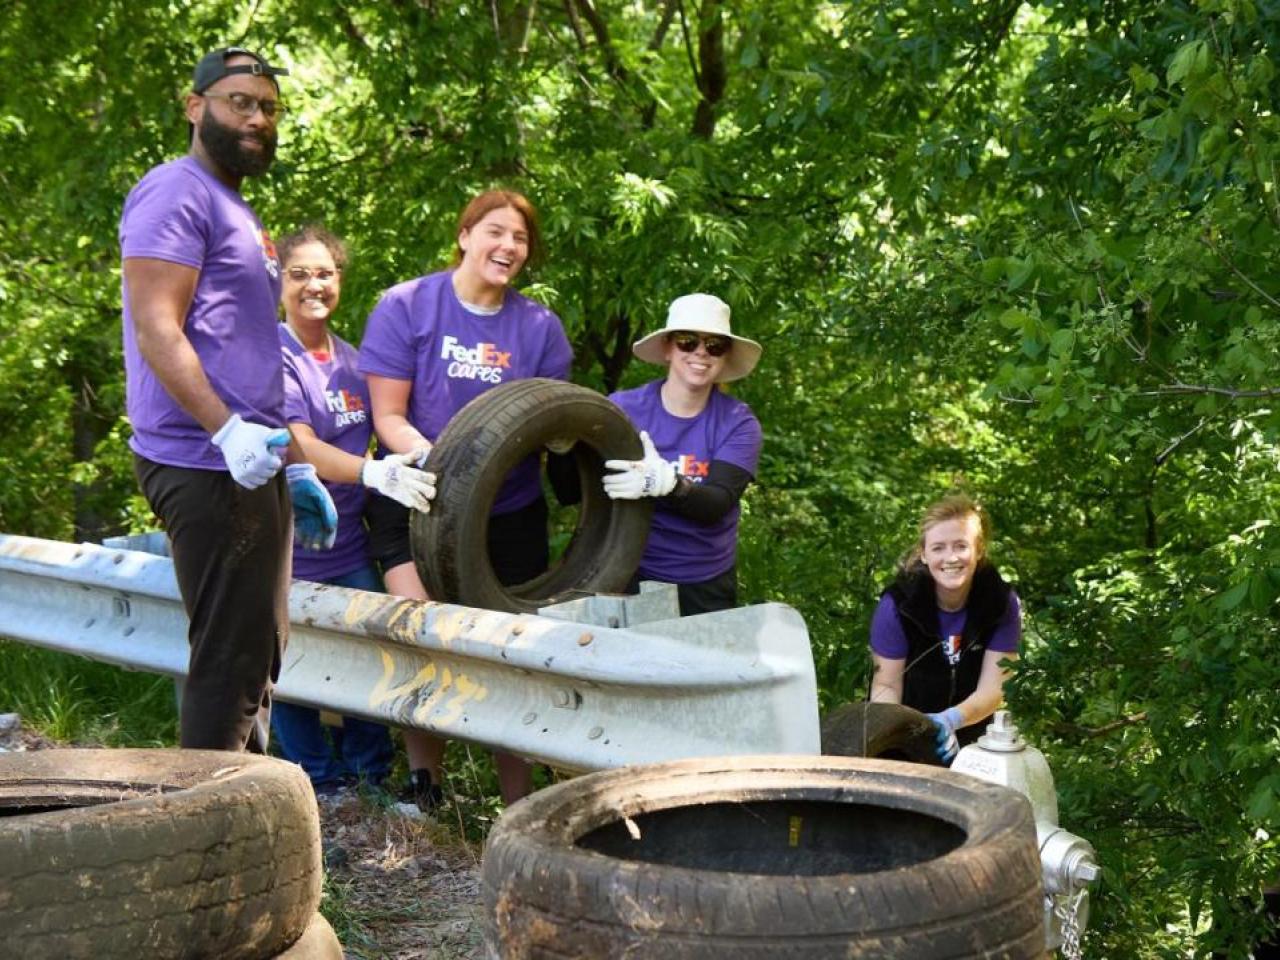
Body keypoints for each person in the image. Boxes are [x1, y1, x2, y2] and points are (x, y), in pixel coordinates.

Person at [121, 47, 338, 752]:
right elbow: (158, 328)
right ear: (195, 107)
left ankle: (247, 820)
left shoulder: (234, 207)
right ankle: (205, 834)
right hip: (204, 458)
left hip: (249, 459)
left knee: (256, 655)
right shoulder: (174, 191)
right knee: (230, 663)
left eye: (268, 107)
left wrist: (289, 460)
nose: (257, 117)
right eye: (239, 101)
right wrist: (228, 432)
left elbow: (238, 343)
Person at [358, 188, 573, 808]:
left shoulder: (538, 328)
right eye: (496, 232)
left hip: (507, 513)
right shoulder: (406, 306)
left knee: (511, 654)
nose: (507, 246)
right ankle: (426, 786)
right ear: (465, 235)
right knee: (424, 637)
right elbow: (388, 416)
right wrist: (441, 466)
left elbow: (554, 422)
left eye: (521, 239)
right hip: (414, 494)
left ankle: (519, 803)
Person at [272, 225, 437, 792]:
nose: (313, 284)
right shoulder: (274, 355)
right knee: (293, 665)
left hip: (349, 543)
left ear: (340, 280)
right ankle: (316, 780)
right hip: (289, 545)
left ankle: (369, 779)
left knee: (370, 655)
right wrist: (372, 470)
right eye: (299, 274)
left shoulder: (354, 360)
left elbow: (382, 430)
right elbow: (300, 445)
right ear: (278, 280)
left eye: (325, 273)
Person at [602, 293, 763, 616]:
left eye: (714, 345)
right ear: (667, 348)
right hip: (628, 569)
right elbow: (575, 487)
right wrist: (559, 445)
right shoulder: (623, 408)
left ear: (724, 356)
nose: (701, 352)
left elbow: (717, 502)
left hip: (704, 582)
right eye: (688, 342)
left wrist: (670, 485)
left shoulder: (738, 423)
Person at [868, 494, 1022, 763]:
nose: (950, 558)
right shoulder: (897, 605)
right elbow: (885, 687)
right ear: (924, 555)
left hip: (976, 740)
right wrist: (902, 736)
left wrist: (950, 720)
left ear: (979, 551)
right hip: (905, 736)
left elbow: (995, 688)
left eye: (960, 546)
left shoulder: (1001, 602)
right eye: (938, 548)